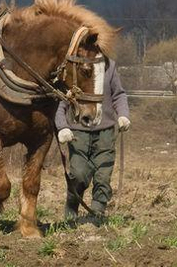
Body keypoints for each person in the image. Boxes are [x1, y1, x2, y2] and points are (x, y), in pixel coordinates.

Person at [55, 55, 130, 222]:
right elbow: (62, 101)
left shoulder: (110, 66)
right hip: (78, 132)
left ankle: (97, 213)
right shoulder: (74, 68)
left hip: (105, 131)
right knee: (79, 174)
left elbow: (119, 95)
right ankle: (72, 206)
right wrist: (62, 126)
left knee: (103, 175)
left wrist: (123, 115)